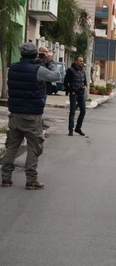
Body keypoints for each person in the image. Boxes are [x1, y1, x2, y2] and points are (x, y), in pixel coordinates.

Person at [2, 42, 60, 190]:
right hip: (31, 116)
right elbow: (56, 75)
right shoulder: (38, 70)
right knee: (34, 147)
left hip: (14, 114)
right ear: (35, 54)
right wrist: (51, 61)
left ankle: (6, 178)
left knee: (12, 147)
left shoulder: (13, 68)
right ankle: (31, 180)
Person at [64, 55, 88, 136]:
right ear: (76, 61)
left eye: (82, 61)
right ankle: (71, 129)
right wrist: (71, 91)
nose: (81, 62)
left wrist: (85, 86)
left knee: (83, 111)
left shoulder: (83, 71)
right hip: (74, 94)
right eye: (80, 61)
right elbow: (65, 83)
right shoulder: (70, 70)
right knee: (73, 111)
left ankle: (78, 128)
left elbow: (85, 81)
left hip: (81, 93)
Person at [37, 47, 58, 129]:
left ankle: (40, 121)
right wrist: (51, 62)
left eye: (48, 51)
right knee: (39, 106)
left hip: (45, 88)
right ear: (40, 53)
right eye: (45, 52)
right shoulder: (39, 62)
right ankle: (38, 123)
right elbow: (56, 75)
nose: (47, 54)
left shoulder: (46, 63)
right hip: (40, 89)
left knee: (42, 106)